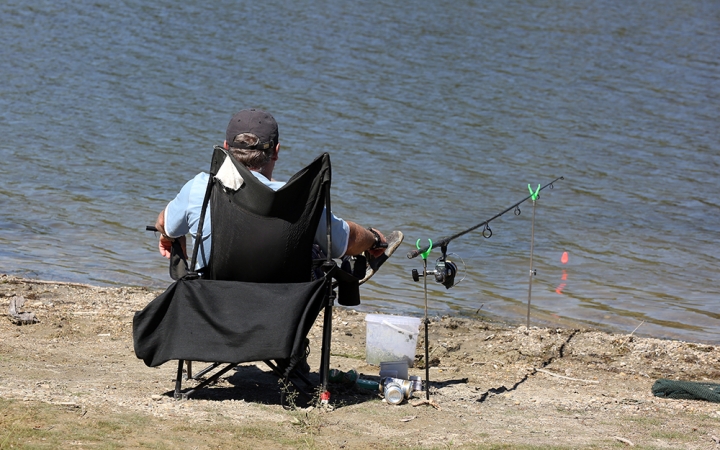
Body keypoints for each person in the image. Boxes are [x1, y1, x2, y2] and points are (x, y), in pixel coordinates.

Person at [153, 108, 389, 274]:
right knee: (318, 246)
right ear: (276, 151)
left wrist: (168, 236)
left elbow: (164, 222)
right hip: (283, 312)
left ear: (226, 149)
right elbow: (346, 240)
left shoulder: (200, 188)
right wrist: (374, 239)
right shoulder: (299, 199)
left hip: (212, 304)